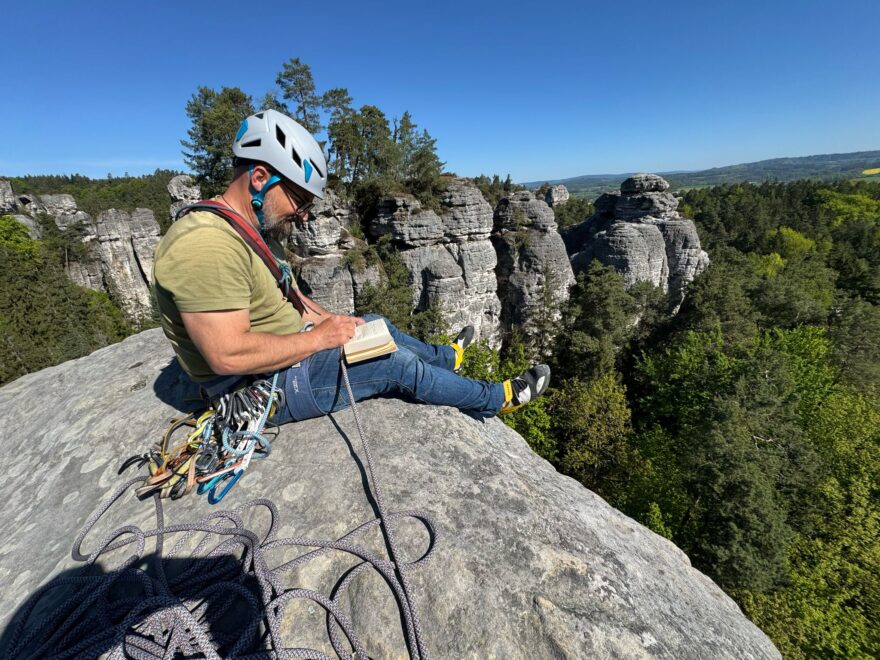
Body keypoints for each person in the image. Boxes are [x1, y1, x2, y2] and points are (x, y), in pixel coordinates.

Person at [152, 109, 550, 424]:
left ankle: (447, 358)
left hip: (285, 359)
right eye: (300, 201)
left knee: (374, 323)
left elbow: (292, 301)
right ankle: (495, 398)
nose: (304, 216)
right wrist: (319, 340)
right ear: (259, 177)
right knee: (394, 365)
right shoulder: (205, 244)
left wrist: (336, 323)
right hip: (257, 391)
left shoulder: (248, 231)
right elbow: (227, 355)